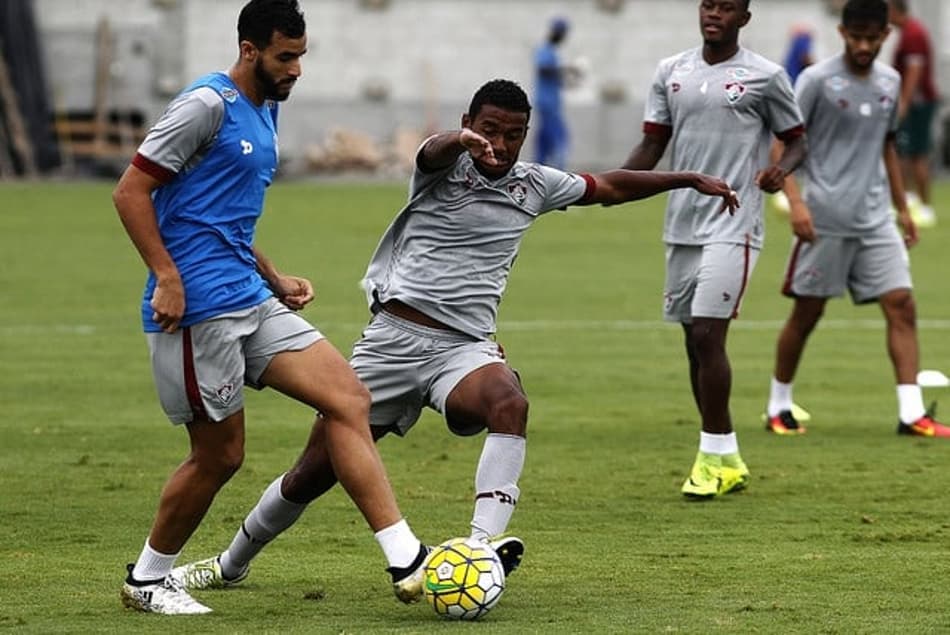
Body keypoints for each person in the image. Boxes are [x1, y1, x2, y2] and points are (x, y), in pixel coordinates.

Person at [166, 78, 740, 593]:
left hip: (462, 349)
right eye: (489, 130)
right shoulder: (442, 165)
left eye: (514, 134)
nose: (502, 144)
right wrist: (458, 141)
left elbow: (609, 185)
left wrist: (686, 178)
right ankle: (232, 563)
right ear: (470, 124)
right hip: (391, 341)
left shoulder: (534, 185)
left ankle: (478, 547)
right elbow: (433, 149)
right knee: (311, 475)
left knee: (508, 403)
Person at [112, 0, 428, 615]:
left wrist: (273, 275)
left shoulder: (268, 108)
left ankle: (405, 557)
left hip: (250, 295)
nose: (297, 70)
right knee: (220, 457)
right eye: (286, 57)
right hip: (197, 308)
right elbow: (131, 190)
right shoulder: (205, 106)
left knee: (348, 399)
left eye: (302, 56)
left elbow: (219, 213)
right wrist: (165, 276)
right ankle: (147, 580)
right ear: (249, 50)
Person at [622, 0, 807, 498]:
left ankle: (709, 456)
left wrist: (780, 171)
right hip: (681, 225)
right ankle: (725, 454)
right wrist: (605, 184)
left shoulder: (765, 76)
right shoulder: (671, 71)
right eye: (709, 4)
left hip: (734, 222)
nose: (714, 14)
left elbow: (796, 141)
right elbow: (651, 146)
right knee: (693, 341)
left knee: (707, 334)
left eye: (727, 8)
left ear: (744, 18)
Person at [764, 0, 950, 439]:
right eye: (857, 37)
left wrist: (903, 208)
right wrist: (797, 202)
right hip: (824, 217)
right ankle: (779, 406)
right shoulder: (815, 81)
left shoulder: (890, 81)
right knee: (807, 313)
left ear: (886, 36)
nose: (865, 45)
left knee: (902, 305)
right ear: (843, 34)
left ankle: (911, 414)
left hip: (874, 219)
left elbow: (886, 145)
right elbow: (780, 146)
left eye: (873, 37)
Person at [888, 0, 938, 227]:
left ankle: (925, 206)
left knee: (917, 153)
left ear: (895, 11)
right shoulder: (908, 32)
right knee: (905, 152)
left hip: (918, 103)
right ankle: (909, 200)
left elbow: (914, 71)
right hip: (915, 102)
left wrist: (904, 103)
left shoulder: (913, 34)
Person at [534, 16, 576, 169]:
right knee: (560, 138)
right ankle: (560, 172)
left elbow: (554, 76)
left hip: (551, 103)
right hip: (547, 103)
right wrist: (567, 69)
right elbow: (543, 69)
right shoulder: (545, 49)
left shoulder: (553, 52)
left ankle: (538, 170)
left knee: (543, 141)